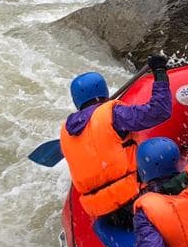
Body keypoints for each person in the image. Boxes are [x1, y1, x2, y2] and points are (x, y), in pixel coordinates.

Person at [60, 54, 173, 227]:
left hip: (103, 212)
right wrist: (159, 71)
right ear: (104, 90)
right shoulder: (114, 114)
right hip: (133, 201)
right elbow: (159, 111)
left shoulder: (66, 132)